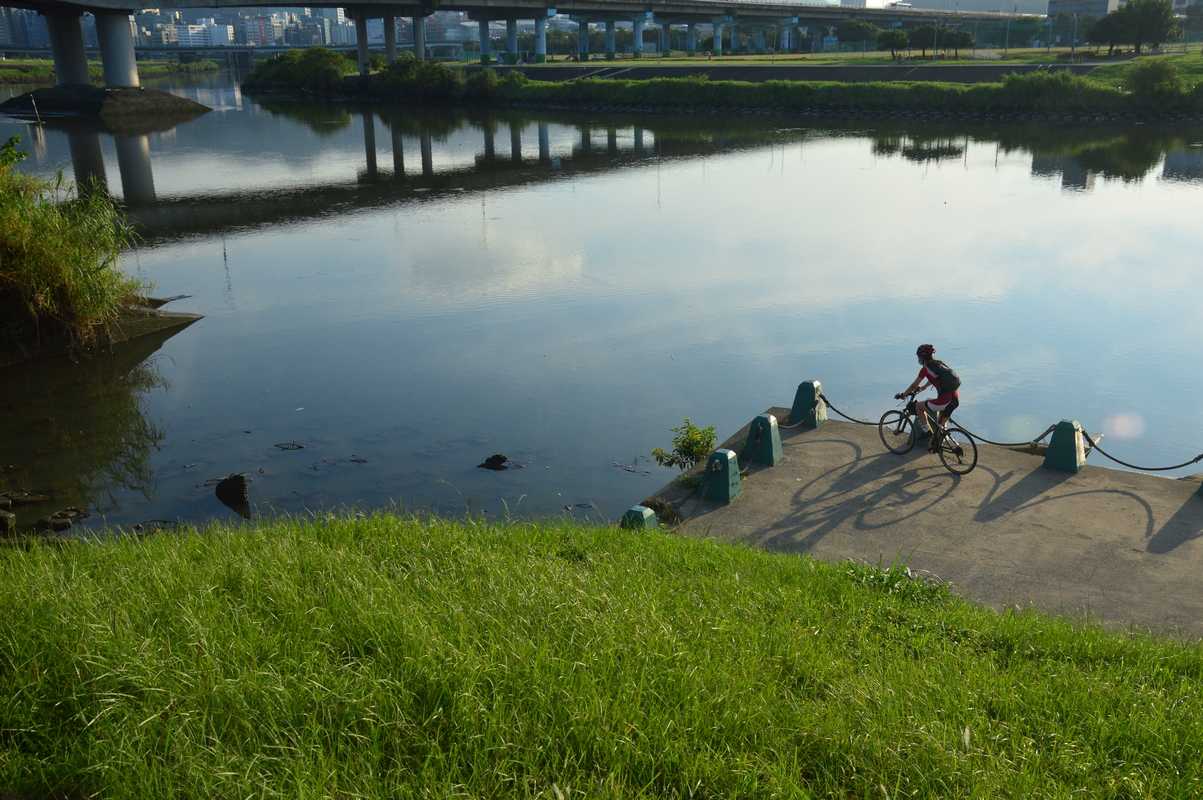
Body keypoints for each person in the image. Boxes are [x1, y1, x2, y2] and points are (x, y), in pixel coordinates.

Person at [895, 344, 961, 452]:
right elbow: (935, 377)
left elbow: (913, 385)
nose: (918, 359)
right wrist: (924, 388)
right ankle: (953, 447)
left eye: (918, 357)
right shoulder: (939, 364)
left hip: (944, 400)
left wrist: (904, 394)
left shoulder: (925, 369)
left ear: (922, 357)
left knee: (918, 406)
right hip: (954, 398)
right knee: (941, 426)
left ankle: (927, 432)